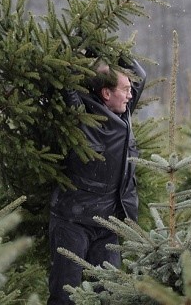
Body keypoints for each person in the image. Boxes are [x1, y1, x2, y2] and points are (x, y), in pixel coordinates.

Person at [47, 56, 146, 305]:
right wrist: (82, 46)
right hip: (73, 221)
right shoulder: (82, 115)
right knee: (65, 295)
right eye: (125, 90)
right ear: (105, 93)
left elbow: (139, 77)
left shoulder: (124, 116)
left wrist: (110, 51)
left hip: (108, 224)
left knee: (109, 294)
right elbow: (64, 78)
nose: (130, 95)